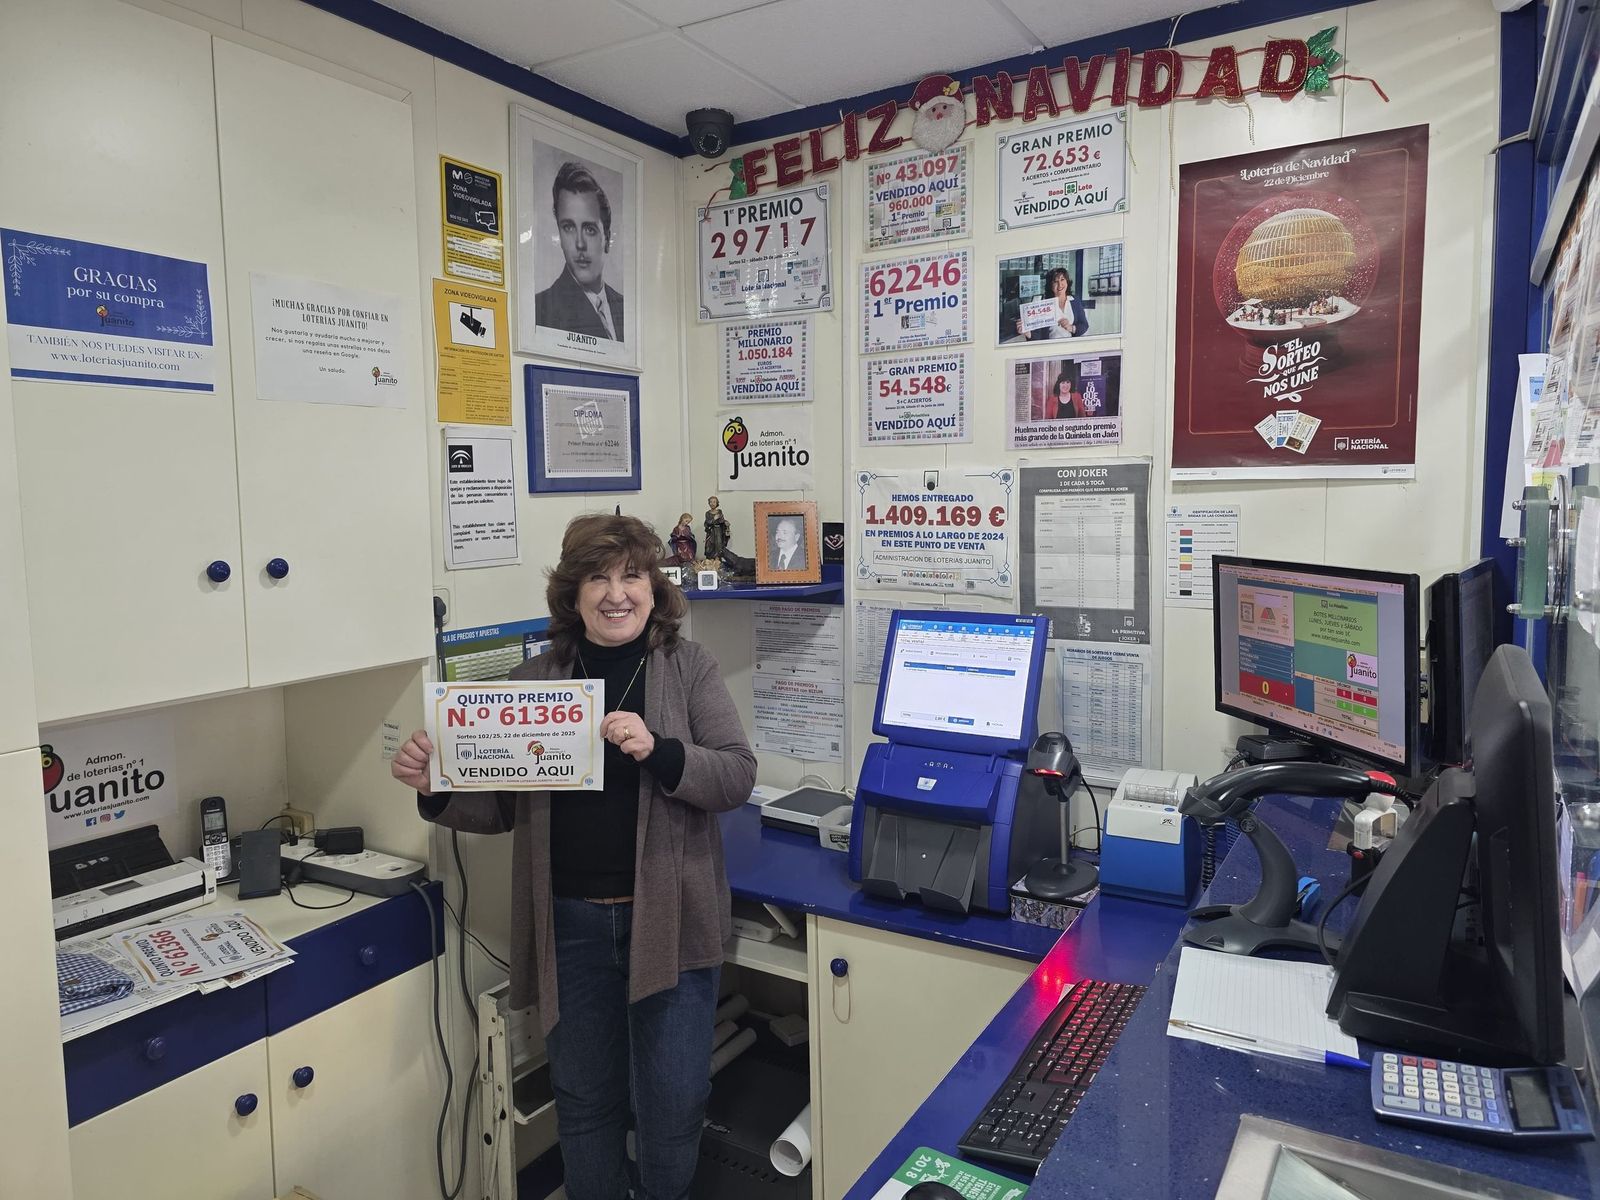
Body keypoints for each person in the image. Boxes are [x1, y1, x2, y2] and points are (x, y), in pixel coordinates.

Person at [390, 514, 755, 1200]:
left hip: (671, 922)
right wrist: (434, 788)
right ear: (572, 593)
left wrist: (660, 751)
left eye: (632, 576)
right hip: (570, 927)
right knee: (585, 1103)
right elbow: (502, 808)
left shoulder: (689, 667)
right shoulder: (535, 680)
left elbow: (735, 776)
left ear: (653, 586)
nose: (616, 594)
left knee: (673, 1104)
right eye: (597, 579)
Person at [534, 160, 625, 341]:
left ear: (607, 238)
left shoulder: (624, 308)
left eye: (589, 229)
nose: (579, 244)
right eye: (568, 227)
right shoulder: (541, 310)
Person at [1016, 266, 1088, 341]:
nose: (1060, 284)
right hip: (1050, 346)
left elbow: (1084, 325)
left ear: (1067, 281)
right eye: (1055, 281)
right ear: (1050, 285)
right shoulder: (1044, 305)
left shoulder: (1074, 300)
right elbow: (1038, 336)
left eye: (1062, 279)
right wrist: (1028, 333)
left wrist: (1071, 328)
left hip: (1070, 345)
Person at [703, 495, 730, 560]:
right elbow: (708, 522)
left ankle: (718, 560)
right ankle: (710, 560)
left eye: (714, 502)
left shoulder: (719, 512)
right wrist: (714, 519)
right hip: (711, 532)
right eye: (711, 502)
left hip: (718, 532)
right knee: (709, 546)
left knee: (718, 546)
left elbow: (721, 521)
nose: (712, 503)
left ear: (717, 503)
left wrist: (726, 522)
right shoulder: (707, 513)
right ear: (709, 503)